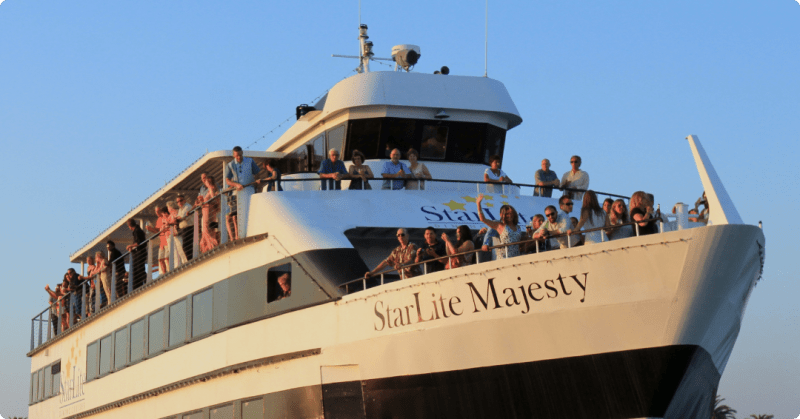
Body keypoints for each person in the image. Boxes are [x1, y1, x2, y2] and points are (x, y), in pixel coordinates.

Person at [225, 146, 261, 239]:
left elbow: (257, 173)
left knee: (251, 209)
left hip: (249, 189)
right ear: (233, 155)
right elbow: (227, 180)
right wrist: (236, 185)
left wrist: (257, 182)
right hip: (238, 192)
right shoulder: (230, 165)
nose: (239, 157)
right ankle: (238, 235)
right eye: (237, 156)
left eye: (240, 155)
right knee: (236, 214)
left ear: (242, 153)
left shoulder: (250, 161)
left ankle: (252, 230)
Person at [476, 194, 522, 259]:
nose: (510, 215)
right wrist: (478, 204)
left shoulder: (518, 227)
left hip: (516, 257)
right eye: (507, 214)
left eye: (511, 213)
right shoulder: (500, 225)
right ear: (502, 215)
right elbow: (483, 219)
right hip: (504, 257)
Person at [198, 174, 221, 253]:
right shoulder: (207, 190)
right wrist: (201, 202)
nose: (205, 182)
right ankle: (207, 248)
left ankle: (212, 246)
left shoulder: (212, 189)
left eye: (206, 180)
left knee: (207, 230)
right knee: (206, 231)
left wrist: (209, 187)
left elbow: (214, 199)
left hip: (209, 212)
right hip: (205, 212)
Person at [146, 206, 171, 275]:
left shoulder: (166, 216)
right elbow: (157, 231)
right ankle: (164, 273)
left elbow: (162, 229)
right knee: (160, 259)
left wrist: (152, 229)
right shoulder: (158, 220)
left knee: (167, 257)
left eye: (158, 211)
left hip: (167, 240)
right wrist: (151, 229)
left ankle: (170, 271)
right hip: (162, 242)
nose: (157, 213)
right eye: (156, 211)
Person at [126, 219, 148, 289]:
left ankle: (145, 282)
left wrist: (130, 246)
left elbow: (138, 242)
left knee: (139, 269)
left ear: (129, 226)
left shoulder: (137, 231)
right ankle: (138, 285)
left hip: (140, 253)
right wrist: (132, 248)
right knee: (137, 270)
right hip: (138, 253)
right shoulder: (138, 231)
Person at [166, 201, 189, 266]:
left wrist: (170, 223)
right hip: (174, 234)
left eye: (168, 207)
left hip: (178, 232)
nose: (168, 209)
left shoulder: (176, 212)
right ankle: (182, 262)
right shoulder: (172, 214)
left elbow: (176, 220)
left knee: (181, 248)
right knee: (178, 250)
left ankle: (185, 262)